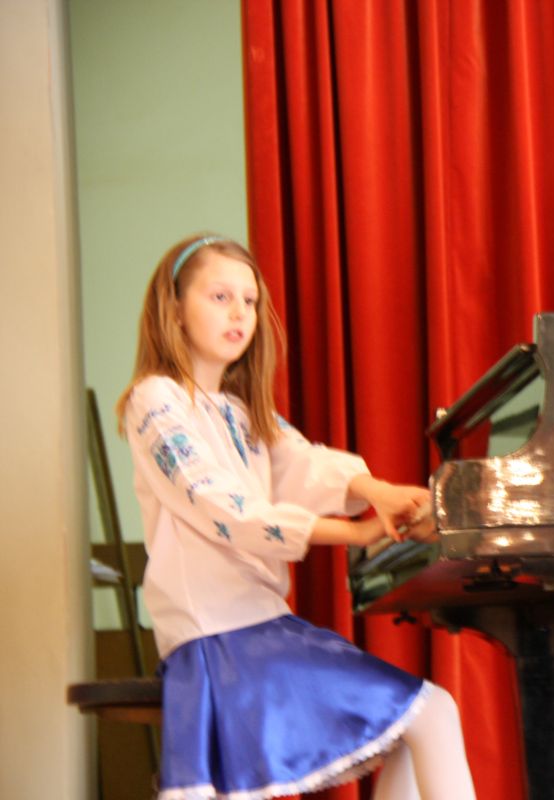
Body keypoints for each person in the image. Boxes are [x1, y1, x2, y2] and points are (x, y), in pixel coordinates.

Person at [116, 234, 476, 800]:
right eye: (219, 297)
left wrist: (379, 492)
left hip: (259, 627)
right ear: (175, 309)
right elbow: (225, 510)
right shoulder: (155, 400)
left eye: (250, 301)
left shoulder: (241, 412)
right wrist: (356, 530)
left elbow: (304, 461)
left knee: (417, 718)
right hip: (218, 635)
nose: (240, 313)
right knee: (430, 712)